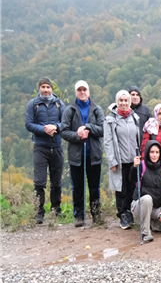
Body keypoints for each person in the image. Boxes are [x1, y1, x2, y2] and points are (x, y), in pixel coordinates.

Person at [60, 80, 104, 226]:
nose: (82, 92)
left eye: (84, 90)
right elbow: (64, 131)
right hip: (76, 157)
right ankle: (79, 216)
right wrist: (77, 136)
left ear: (89, 92)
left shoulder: (97, 109)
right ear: (76, 93)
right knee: (78, 187)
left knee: (94, 187)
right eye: (79, 90)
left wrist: (88, 127)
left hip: (94, 156)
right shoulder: (69, 110)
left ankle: (96, 214)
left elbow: (103, 129)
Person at [25, 76, 65, 223]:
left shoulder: (59, 104)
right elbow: (29, 124)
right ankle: (39, 212)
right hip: (40, 147)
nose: (46, 90)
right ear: (39, 89)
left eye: (48, 87)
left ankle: (56, 210)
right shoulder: (33, 104)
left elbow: (65, 123)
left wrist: (55, 127)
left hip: (57, 147)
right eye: (43, 87)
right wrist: (44, 129)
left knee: (56, 182)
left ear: (52, 89)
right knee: (39, 182)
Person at [130, 140, 161, 242]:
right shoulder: (141, 165)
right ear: (147, 153)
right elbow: (131, 179)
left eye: (157, 152)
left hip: (156, 207)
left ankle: (153, 225)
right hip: (139, 205)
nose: (154, 155)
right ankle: (146, 232)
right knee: (148, 199)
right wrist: (134, 167)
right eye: (152, 152)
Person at [104, 90, 141, 229]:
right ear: (117, 102)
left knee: (132, 187)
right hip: (120, 161)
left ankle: (129, 212)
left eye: (126, 100)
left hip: (133, 160)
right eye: (121, 100)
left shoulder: (134, 118)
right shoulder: (111, 120)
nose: (124, 103)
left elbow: (138, 138)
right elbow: (107, 142)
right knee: (121, 189)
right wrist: (112, 161)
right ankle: (122, 215)